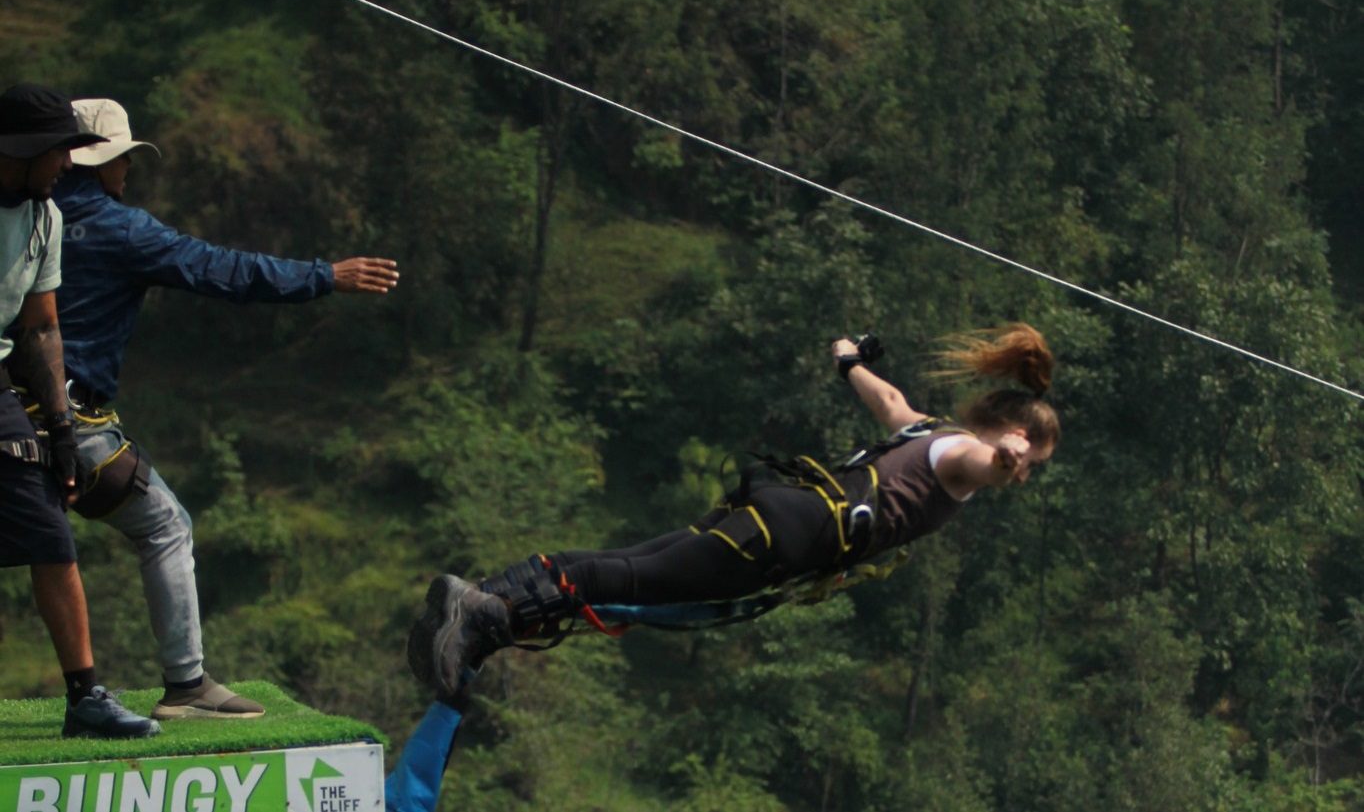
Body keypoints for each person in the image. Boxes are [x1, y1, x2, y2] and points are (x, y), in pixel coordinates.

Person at [408, 323, 1059, 699]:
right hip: (791, 537)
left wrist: (848, 359)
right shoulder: (967, 461)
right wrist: (1006, 455)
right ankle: (478, 614)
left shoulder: (928, 429)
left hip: (780, 509)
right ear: (1010, 430)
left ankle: (480, 603)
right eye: (1034, 458)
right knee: (635, 583)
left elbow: (887, 396)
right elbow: (987, 462)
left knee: (634, 566)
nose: (1026, 472)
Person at [41, 97, 400, 719]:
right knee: (165, 525)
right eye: (124, 159)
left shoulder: (21, 218)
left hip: (6, 414)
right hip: (71, 423)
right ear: (101, 163)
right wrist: (325, 276)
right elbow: (222, 270)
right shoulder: (121, 229)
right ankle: (187, 685)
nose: (128, 172)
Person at [0, 83, 160, 738]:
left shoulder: (45, 217)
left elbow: (40, 328)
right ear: (25, 149)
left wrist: (61, 431)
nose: (69, 165)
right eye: (61, 152)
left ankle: (84, 697)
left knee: (47, 520)